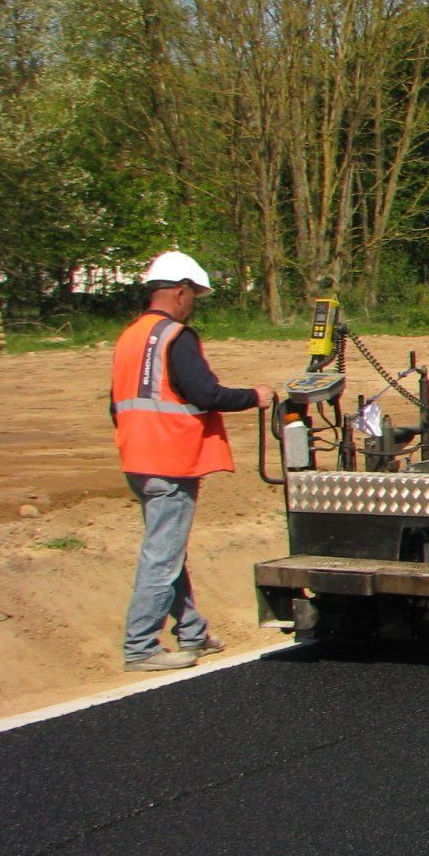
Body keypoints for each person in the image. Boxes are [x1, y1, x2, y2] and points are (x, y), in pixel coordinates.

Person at [110, 251, 269, 671]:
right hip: (172, 458)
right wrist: (254, 397)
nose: (193, 302)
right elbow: (205, 393)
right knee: (162, 554)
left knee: (168, 548)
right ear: (180, 291)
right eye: (193, 295)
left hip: (138, 456)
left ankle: (192, 632)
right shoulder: (176, 336)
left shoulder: (130, 337)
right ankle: (141, 646)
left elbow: (118, 404)